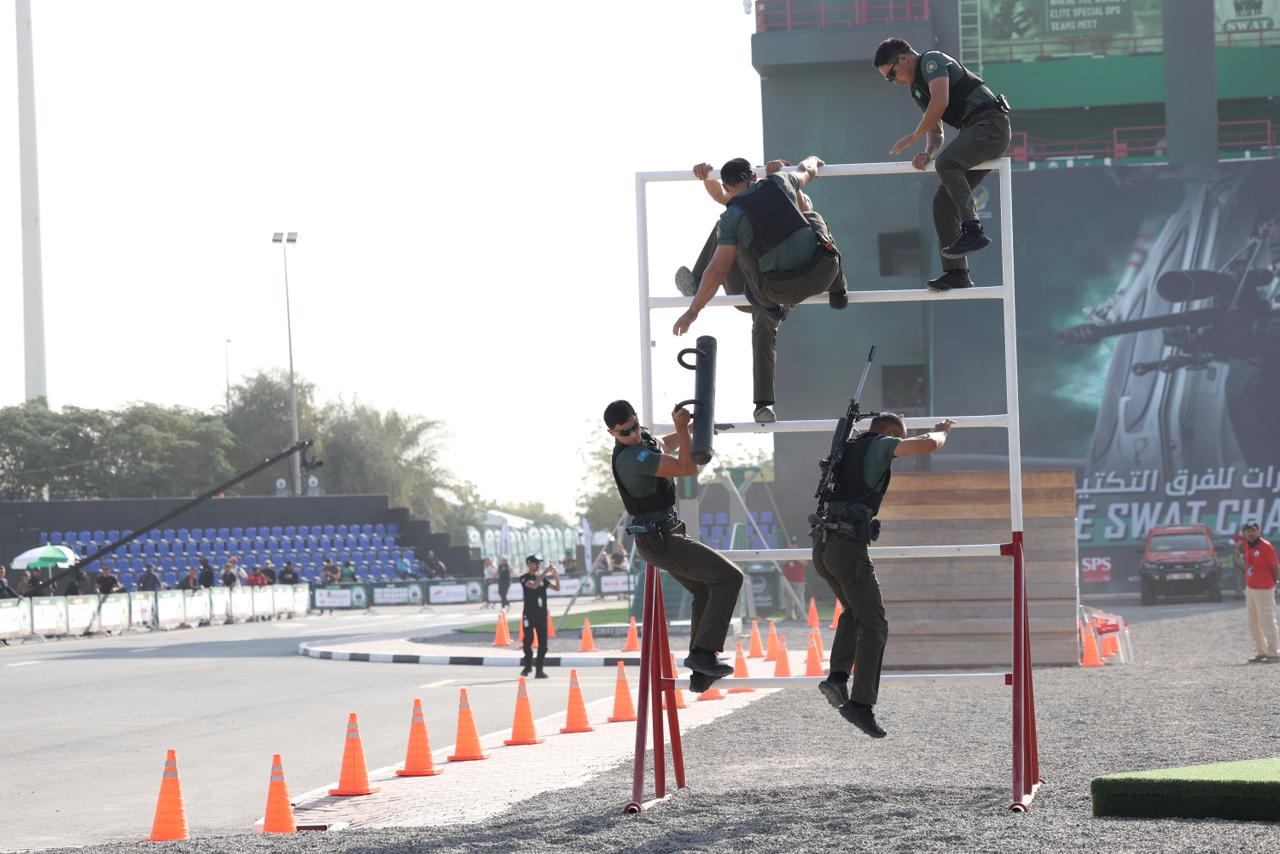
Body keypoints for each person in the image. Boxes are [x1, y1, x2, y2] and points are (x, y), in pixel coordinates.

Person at [810, 413, 957, 738]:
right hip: (847, 548)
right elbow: (928, 444)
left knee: (854, 612)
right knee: (875, 624)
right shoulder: (881, 444)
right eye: (897, 437)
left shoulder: (846, 448)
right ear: (890, 431)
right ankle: (861, 704)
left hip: (822, 547)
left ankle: (836, 679)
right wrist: (941, 432)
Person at [673, 156, 848, 424]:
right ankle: (840, 290)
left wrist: (694, 310)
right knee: (813, 219)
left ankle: (763, 405)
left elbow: (718, 268)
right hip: (820, 273)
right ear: (753, 177)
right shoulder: (780, 183)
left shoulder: (737, 211)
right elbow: (807, 170)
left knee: (730, 232)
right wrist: (812, 159)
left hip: (773, 290)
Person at [605, 399, 744, 691]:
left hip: (666, 535)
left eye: (633, 428)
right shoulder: (631, 459)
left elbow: (662, 443)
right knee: (730, 577)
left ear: (635, 420)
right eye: (623, 433)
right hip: (662, 541)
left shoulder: (641, 440)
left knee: (705, 589)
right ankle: (703, 655)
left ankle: (700, 668)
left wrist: (696, 428)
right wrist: (683, 429)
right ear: (612, 434)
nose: (631, 436)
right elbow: (687, 467)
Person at [874, 37, 1012, 292]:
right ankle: (957, 273)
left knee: (947, 164)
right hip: (974, 130)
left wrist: (913, 137)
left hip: (990, 125)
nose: (893, 82)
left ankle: (973, 228)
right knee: (943, 202)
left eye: (891, 74)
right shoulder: (917, 89)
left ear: (903, 58)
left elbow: (941, 103)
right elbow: (936, 133)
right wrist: (926, 152)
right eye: (888, 79)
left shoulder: (932, 61)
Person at [1240, 521, 1280, 663]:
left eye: (1253, 530)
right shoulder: (1245, 545)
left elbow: (1275, 566)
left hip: (1264, 589)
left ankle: (1274, 653)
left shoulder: (1266, 546)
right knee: (1253, 623)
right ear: (1245, 532)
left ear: (1259, 531)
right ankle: (1261, 652)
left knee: (1267, 620)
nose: (1251, 533)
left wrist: (1276, 582)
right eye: (1248, 530)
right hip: (1251, 588)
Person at [518, 554, 560, 678]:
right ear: (530, 564)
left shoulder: (542, 579)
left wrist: (556, 575)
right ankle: (527, 665)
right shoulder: (524, 578)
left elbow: (557, 588)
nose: (538, 565)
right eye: (536, 563)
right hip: (529, 614)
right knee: (528, 641)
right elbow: (534, 585)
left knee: (543, 644)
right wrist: (546, 572)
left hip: (542, 615)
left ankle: (539, 670)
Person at [781, 540, 808, 621]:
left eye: (795, 545)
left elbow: (805, 563)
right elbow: (781, 562)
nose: (793, 546)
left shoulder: (801, 552)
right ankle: (790, 615)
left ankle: (801, 615)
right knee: (788, 599)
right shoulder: (785, 552)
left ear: (797, 545)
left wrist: (795, 557)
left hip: (799, 580)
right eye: (792, 545)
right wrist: (789, 556)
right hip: (788, 580)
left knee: (800, 598)